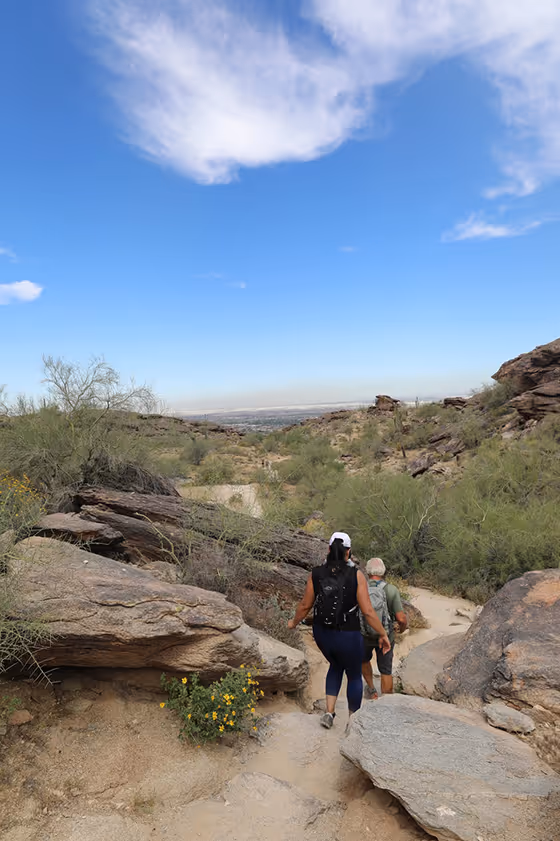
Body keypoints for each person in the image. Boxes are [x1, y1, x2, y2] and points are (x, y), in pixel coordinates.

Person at [288, 532, 391, 729]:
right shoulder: (356, 575)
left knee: (335, 665)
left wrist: (293, 623)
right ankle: (352, 722)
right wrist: (383, 634)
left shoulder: (316, 573)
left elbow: (304, 605)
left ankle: (329, 712)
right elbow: (368, 611)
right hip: (348, 635)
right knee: (353, 674)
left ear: (328, 549)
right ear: (348, 552)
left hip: (322, 634)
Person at [360, 557, 408, 699]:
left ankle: (371, 690)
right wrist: (402, 628)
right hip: (386, 636)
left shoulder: (360, 588)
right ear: (383, 571)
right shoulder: (391, 590)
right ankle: (386, 702)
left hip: (364, 635)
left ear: (367, 571)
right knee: (386, 670)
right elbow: (400, 618)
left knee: (363, 660)